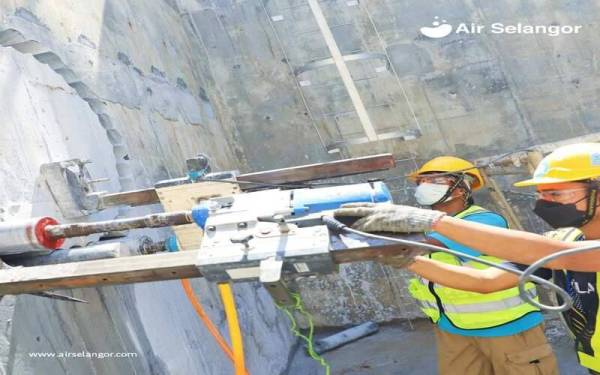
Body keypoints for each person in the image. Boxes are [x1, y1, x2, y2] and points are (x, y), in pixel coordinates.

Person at [334, 143, 600, 374]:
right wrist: (404, 259)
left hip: (507, 328)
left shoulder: (541, 243)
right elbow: (486, 280)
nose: (544, 203)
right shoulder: (563, 239)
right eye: (541, 194)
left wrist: (432, 222)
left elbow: (562, 256)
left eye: (556, 194)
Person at [400, 156, 557, 375]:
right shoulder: (427, 228)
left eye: (436, 181)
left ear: (461, 188)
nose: (425, 186)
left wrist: (380, 234)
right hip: (453, 327)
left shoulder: (483, 221)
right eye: (422, 182)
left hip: (506, 326)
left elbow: (423, 246)